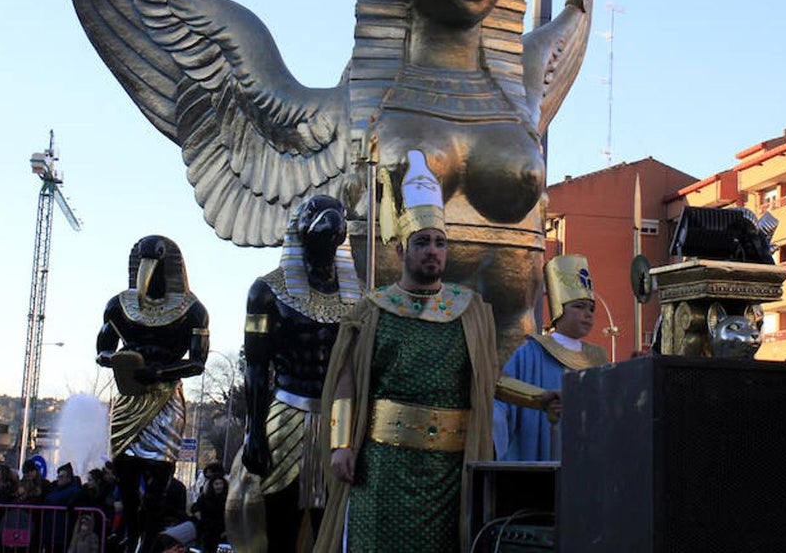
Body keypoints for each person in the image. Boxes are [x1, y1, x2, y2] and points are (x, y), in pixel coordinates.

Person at [65, 0, 592, 368]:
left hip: (508, 374)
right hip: (376, 374)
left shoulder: (521, 79)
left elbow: (569, 24)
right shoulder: (344, 112)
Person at [314, 150, 556, 553]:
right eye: (422, 242)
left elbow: (487, 382)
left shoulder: (470, 310)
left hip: (449, 470)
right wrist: (342, 444)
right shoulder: (371, 310)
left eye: (440, 243)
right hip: (383, 465)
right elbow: (347, 380)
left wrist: (538, 398)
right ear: (401, 251)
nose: (432, 251)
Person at [234, 194, 361, 553]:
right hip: (286, 416)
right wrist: (252, 430)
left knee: (332, 531)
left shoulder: (359, 298)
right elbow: (256, 365)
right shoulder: (266, 292)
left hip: (341, 421)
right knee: (281, 527)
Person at [95, 235, 210, 553]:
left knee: (159, 476)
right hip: (130, 396)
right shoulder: (119, 306)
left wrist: (160, 371)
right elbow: (102, 350)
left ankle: (147, 537)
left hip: (165, 399)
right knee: (125, 474)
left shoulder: (193, 310)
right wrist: (120, 362)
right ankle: (131, 533)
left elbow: (198, 362)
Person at [494, 254, 607, 461]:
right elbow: (502, 398)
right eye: (579, 306)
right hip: (539, 456)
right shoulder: (531, 353)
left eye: (591, 308)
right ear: (559, 309)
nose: (588, 314)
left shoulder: (598, 360)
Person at [190, 476, 227, 553]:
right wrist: (197, 513)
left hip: (221, 531)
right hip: (206, 530)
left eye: (221, 483)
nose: (219, 486)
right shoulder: (205, 497)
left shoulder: (227, 499)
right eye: (216, 484)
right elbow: (195, 506)